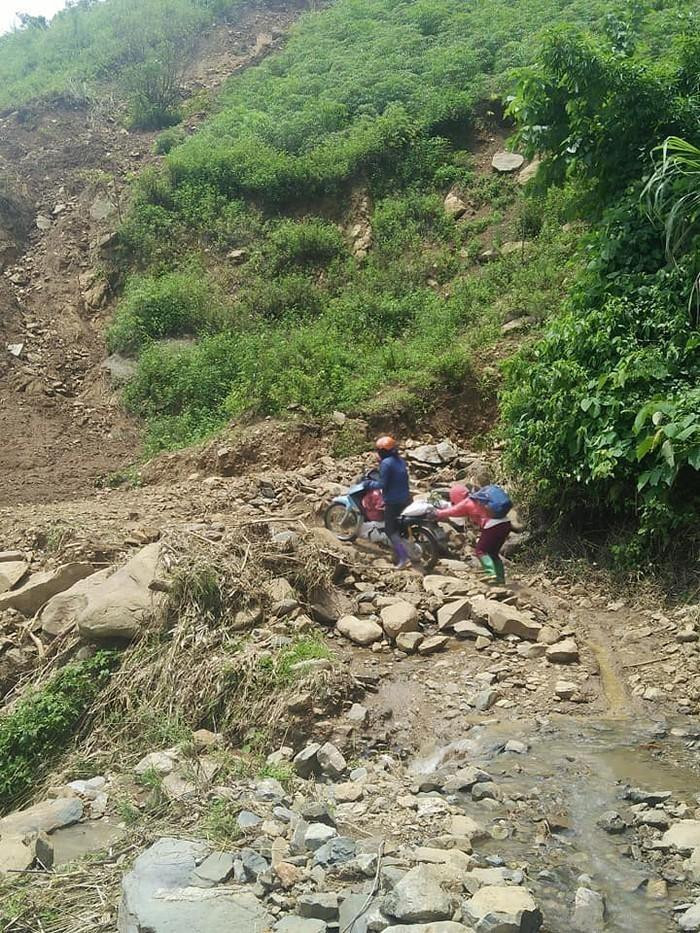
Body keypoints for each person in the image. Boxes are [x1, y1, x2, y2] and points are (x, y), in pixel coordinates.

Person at [434, 483, 511, 585]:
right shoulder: (478, 499)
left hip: (493, 526)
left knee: (480, 550)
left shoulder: (467, 502)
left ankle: (490, 573)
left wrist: (436, 513)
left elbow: (453, 511)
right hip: (506, 524)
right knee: (493, 553)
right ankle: (500, 578)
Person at [367, 436, 413, 569]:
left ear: (383, 451)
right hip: (406, 498)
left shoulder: (386, 463)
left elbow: (382, 484)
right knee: (401, 528)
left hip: (393, 502)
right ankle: (400, 553)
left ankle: (404, 558)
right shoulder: (400, 461)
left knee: (390, 530)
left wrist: (368, 484)